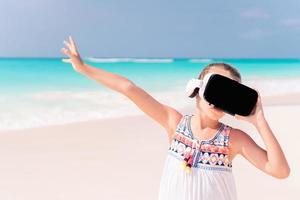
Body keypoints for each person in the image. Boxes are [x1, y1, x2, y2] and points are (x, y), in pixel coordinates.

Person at [61, 36, 290, 200]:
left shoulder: (233, 139)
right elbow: (129, 88)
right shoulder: (175, 123)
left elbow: (280, 171)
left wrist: (259, 120)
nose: (218, 100)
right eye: (215, 89)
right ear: (198, 89)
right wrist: (83, 68)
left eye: (227, 95)